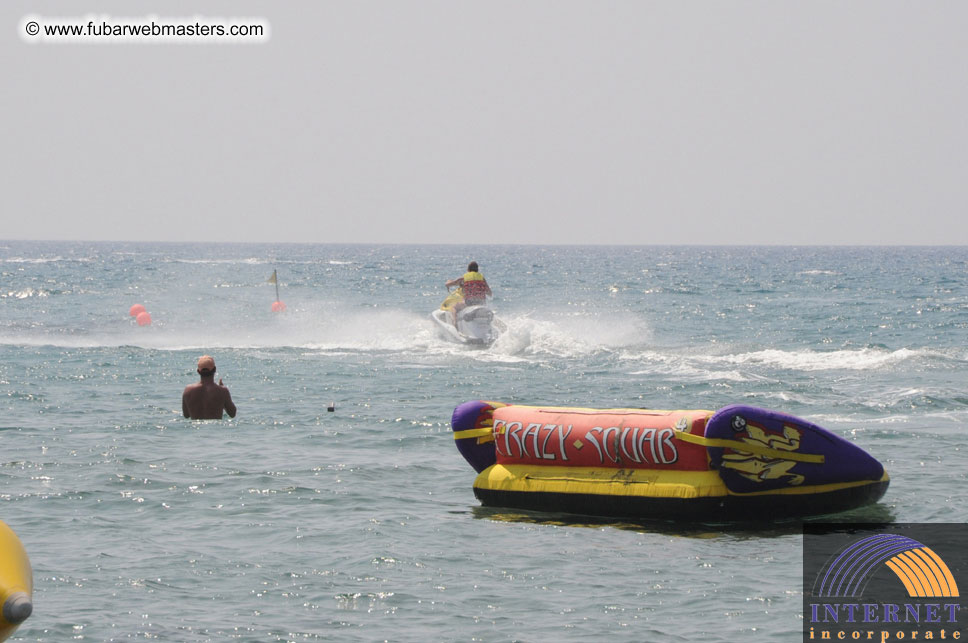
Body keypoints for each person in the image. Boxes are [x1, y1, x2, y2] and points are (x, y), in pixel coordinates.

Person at [182, 355, 237, 420]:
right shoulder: (223, 391)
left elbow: (186, 415)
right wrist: (223, 397)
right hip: (216, 428)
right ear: (215, 369)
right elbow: (232, 414)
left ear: (198, 371)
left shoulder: (188, 390)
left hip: (196, 428)